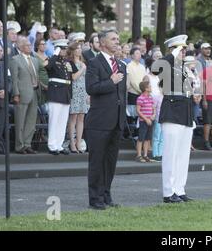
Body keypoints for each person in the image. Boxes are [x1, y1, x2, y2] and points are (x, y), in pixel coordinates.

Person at [86, 29, 127, 210]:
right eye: (113, 39)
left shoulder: (121, 65)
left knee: (110, 162)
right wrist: (111, 81)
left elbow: (122, 94)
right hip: (99, 121)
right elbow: (91, 88)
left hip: (116, 120)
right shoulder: (94, 63)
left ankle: (106, 195)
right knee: (97, 162)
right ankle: (95, 198)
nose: (117, 41)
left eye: (118, 39)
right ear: (102, 42)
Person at [152, 34, 196, 203]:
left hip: (185, 111)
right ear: (172, 49)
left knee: (183, 155)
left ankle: (179, 189)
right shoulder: (167, 64)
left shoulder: (184, 67)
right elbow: (155, 68)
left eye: (185, 48)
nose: (184, 51)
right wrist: (172, 53)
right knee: (171, 154)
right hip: (172, 111)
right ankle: (168, 192)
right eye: (181, 48)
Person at [45, 39, 77, 155]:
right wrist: (55, 54)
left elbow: (70, 79)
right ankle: (52, 145)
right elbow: (48, 67)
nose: (64, 51)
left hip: (65, 94)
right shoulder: (52, 60)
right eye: (62, 49)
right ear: (57, 49)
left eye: (65, 49)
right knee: (54, 121)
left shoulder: (66, 62)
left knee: (62, 122)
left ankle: (59, 144)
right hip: (55, 94)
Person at [10, 38, 39, 154]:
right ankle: (19, 146)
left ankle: (27, 144)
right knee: (20, 121)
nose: (29, 47)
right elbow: (14, 79)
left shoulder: (34, 60)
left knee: (31, 121)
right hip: (22, 94)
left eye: (30, 45)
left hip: (34, 93)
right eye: (27, 45)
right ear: (21, 47)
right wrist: (16, 93)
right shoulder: (15, 60)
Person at [67, 42, 89, 153]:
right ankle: (72, 142)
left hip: (83, 92)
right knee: (73, 118)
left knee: (81, 118)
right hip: (74, 92)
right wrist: (82, 69)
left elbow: (86, 80)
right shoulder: (70, 63)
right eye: (77, 48)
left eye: (80, 48)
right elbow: (73, 77)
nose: (79, 50)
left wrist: (87, 94)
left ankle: (79, 142)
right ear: (73, 50)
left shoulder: (83, 63)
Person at [144, 58, 163, 162]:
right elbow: (145, 90)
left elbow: (161, 89)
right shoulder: (147, 76)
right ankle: (155, 153)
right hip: (151, 104)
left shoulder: (159, 78)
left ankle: (161, 153)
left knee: (161, 131)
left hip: (160, 103)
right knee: (155, 131)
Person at [135, 81, 156, 163]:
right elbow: (138, 110)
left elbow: (153, 108)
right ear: (146, 88)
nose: (151, 87)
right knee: (141, 138)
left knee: (148, 138)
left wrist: (153, 115)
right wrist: (146, 119)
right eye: (149, 86)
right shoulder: (140, 98)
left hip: (150, 121)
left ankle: (145, 155)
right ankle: (139, 155)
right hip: (143, 121)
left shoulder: (151, 97)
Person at [126, 47, 146, 122]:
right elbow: (132, 81)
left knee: (141, 114)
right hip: (133, 94)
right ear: (132, 55)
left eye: (140, 53)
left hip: (142, 93)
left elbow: (144, 79)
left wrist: (143, 91)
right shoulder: (129, 66)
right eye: (137, 53)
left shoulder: (142, 67)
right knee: (132, 114)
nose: (139, 55)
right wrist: (141, 90)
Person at [34, 36, 49, 106]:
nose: (44, 46)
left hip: (49, 86)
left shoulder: (48, 57)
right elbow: (34, 73)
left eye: (45, 44)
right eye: (42, 44)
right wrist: (42, 85)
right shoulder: (34, 57)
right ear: (37, 46)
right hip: (40, 86)